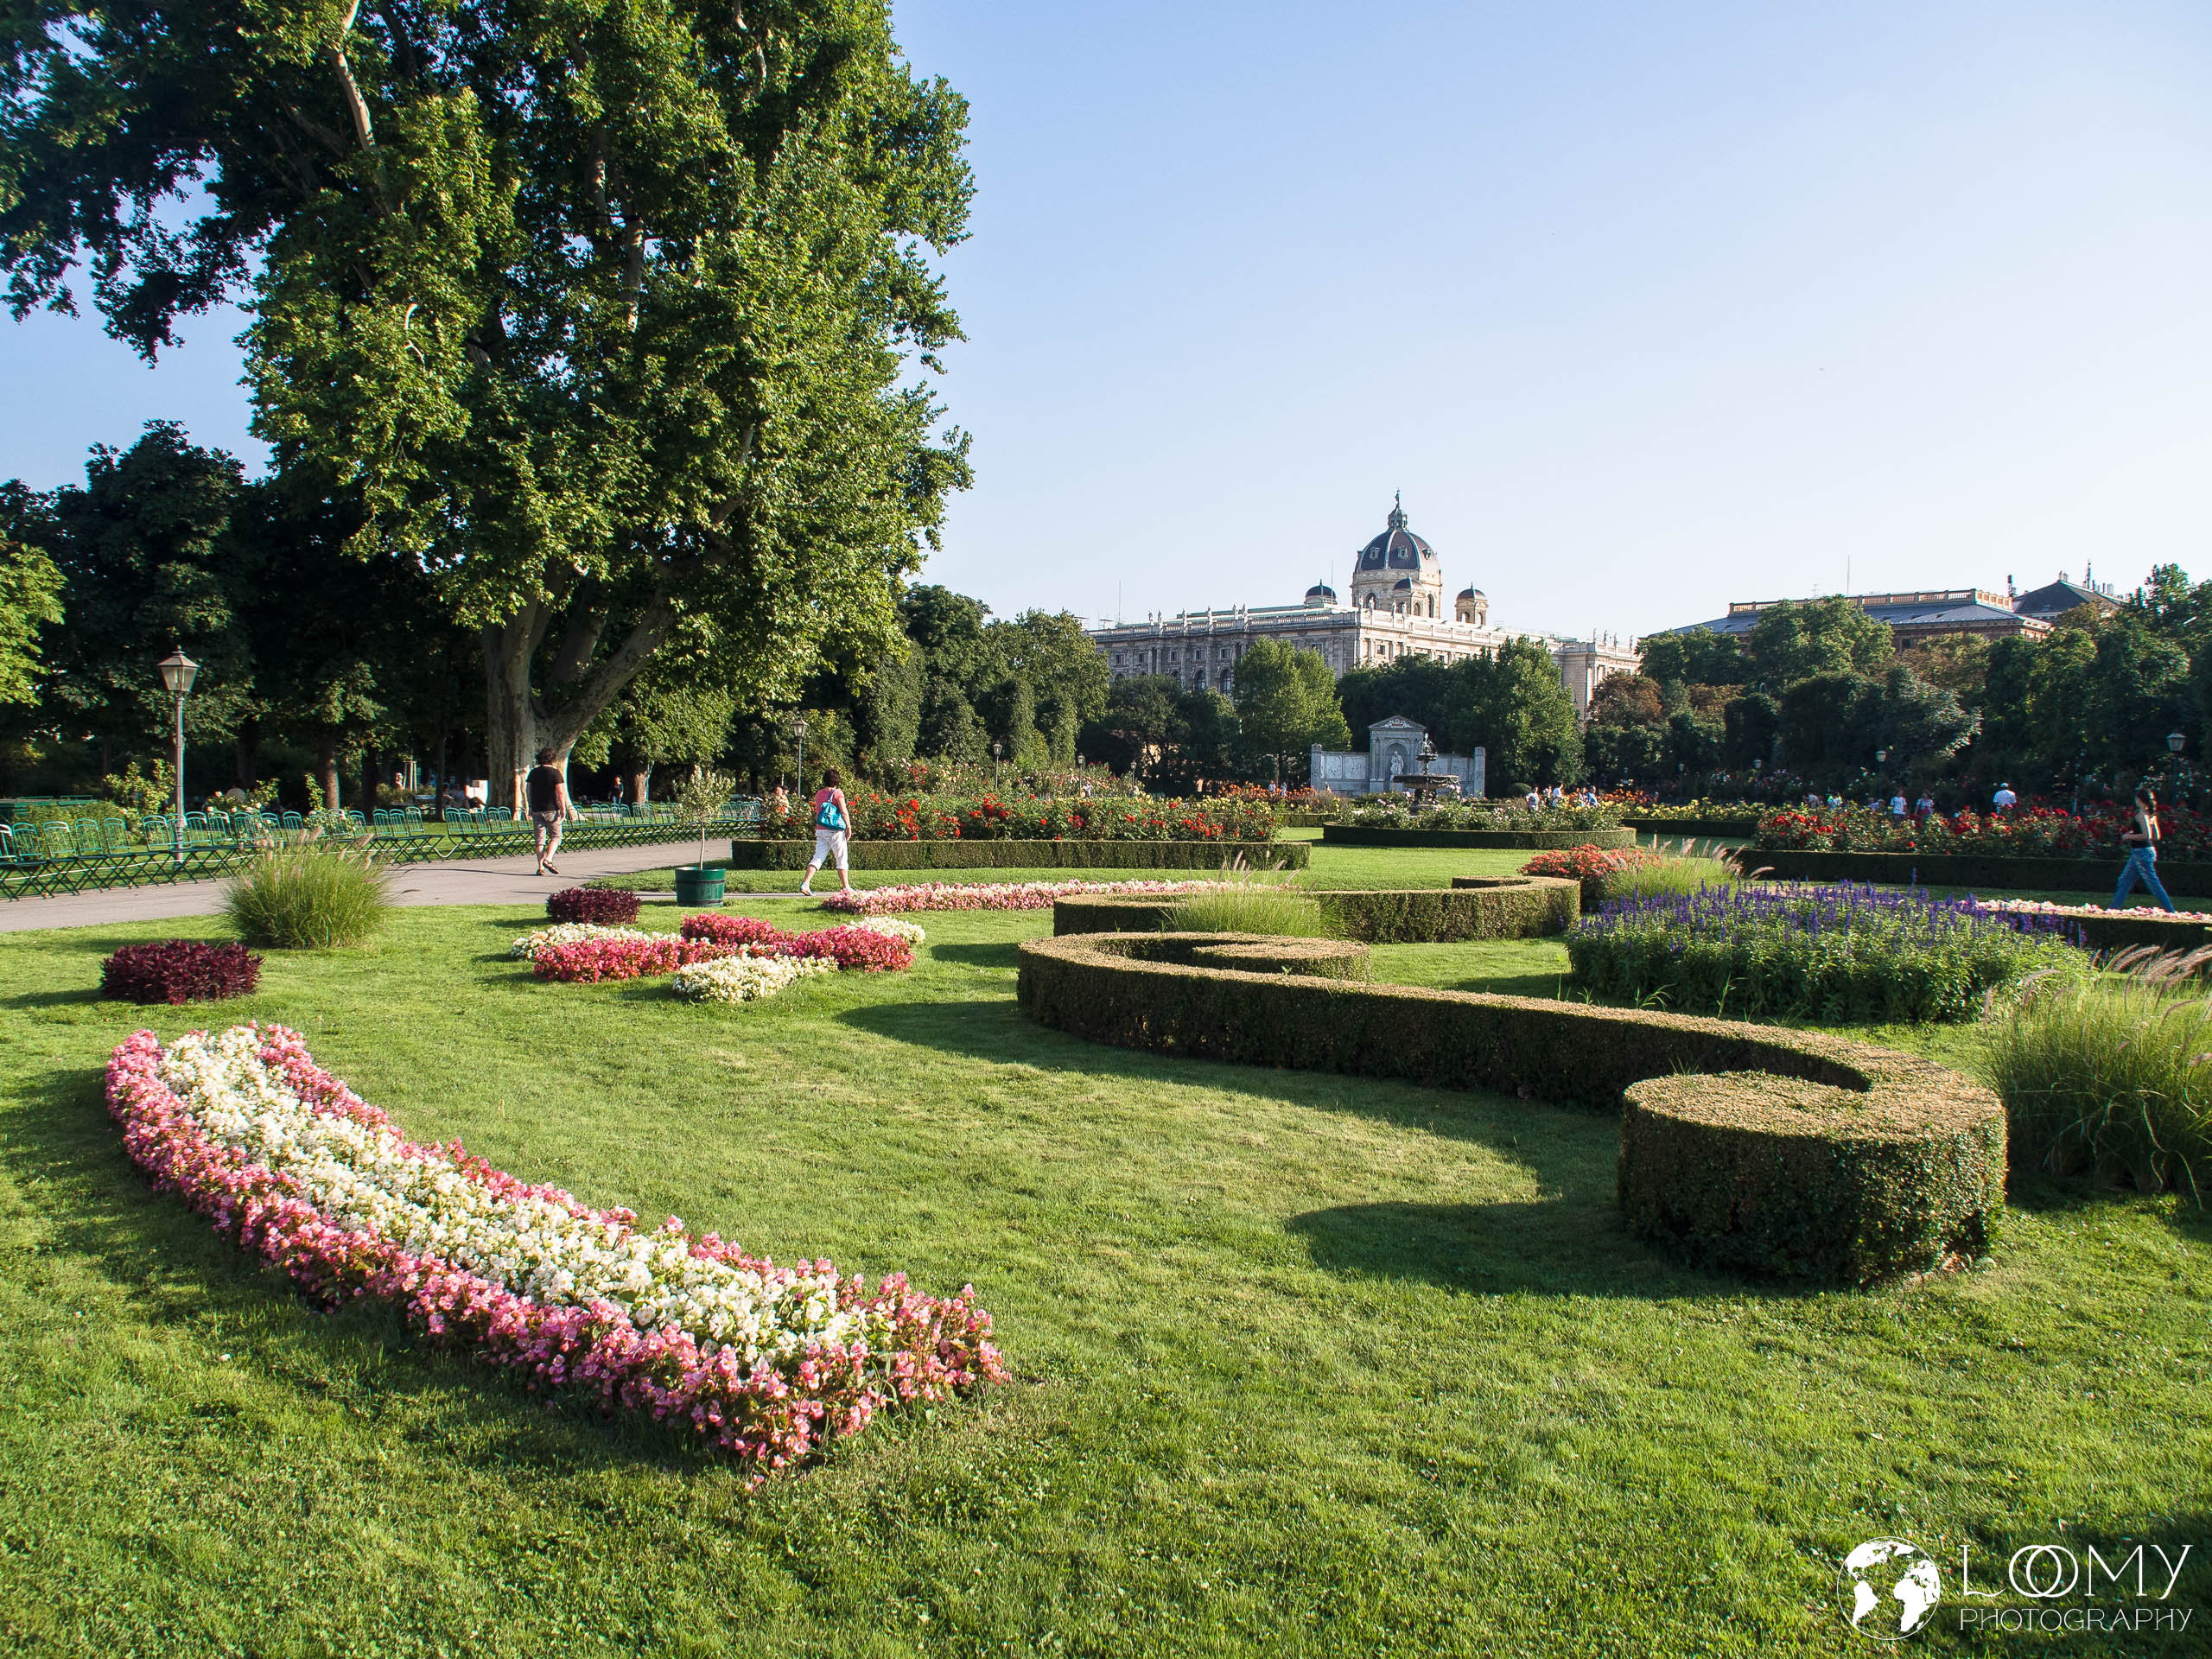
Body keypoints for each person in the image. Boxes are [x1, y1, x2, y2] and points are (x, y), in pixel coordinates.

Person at [2110, 786, 2177, 912]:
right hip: (2145, 852)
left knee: (2153, 884)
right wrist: (2134, 832)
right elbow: (2156, 835)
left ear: (2139, 799)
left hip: (2141, 852)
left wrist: (2128, 836)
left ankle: (2171, 911)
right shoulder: (2151, 815)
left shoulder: (2141, 815)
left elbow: (2147, 836)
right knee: (2124, 881)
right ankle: (2113, 909)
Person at [799, 766, 853, 897]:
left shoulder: (819, 794)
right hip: (835, 831)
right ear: (837, 780)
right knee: (841, 859)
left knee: (818, 857)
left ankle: (806, 883)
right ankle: (846, 887)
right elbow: (844, 811)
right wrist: (848, 827)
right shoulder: (838, 793)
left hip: (821, 830)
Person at [524, 747, 575, 875]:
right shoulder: (555, 773)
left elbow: (528, 790)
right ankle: (548, 859)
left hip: (536, 809)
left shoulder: (533, 773)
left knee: (539, 839)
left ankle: (541, 867)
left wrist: (530, 806)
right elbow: (560, 792)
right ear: (552, 759)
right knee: (556, 836)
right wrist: (563, 808)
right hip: (552, 809)